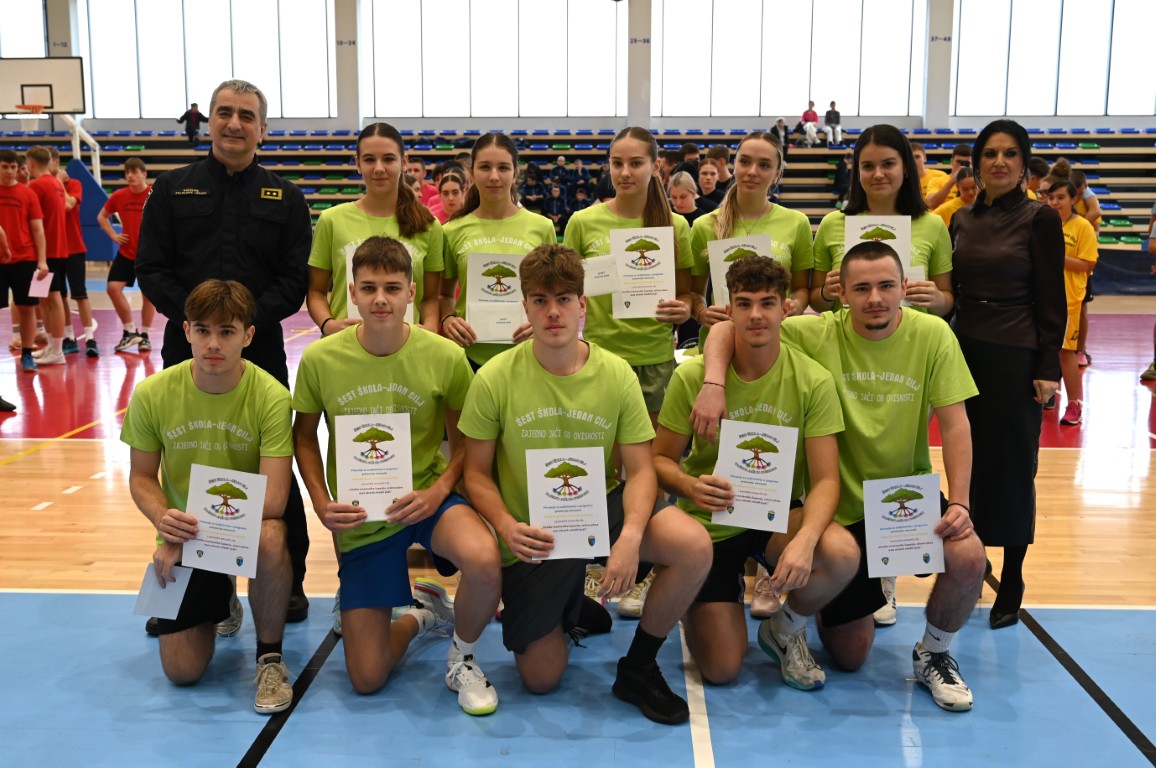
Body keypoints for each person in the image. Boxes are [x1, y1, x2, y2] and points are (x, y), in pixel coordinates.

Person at [693, 241, 986, 712]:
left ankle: (934, 652)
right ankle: (792, 622)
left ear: (903, 287)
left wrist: (961, 502)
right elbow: (730, 326)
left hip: (903, 499)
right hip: (838, 509)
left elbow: (955, 424)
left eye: (886, 286)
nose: (875, 298)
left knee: (969, 556)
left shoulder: (933, 335)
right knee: (852, 657)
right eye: (862, 288)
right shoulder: (815, 333)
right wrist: (712, 381)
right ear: (842, 294)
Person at [459, 243, 712, 725]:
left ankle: (638, 667)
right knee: (540, 678)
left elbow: (641, 470)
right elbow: (476, 474)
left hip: (600, 511)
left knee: (693, 545)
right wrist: (507, 526)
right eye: (540, 300)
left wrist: (631, 538)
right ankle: (570, 602)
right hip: (533, 534)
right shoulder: (493, 378)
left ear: (583, 305)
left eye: (563, 299)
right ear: (525, 307)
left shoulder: (616, 374)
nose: (552, 312)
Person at [293, 237, 501, 714]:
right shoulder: (321, 359)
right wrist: (321, 502)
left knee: (484, 558)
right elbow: (303, 438)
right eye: (368, 288)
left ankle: (463, 657)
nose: (380, 299)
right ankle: (421, 615)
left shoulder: (445, 356)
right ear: (352, 292)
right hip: (364, 515)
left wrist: (438, 491)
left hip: (427, 498)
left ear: (411, 292)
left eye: (391, 287)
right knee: (367, 679)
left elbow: (465, 442)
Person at [136, 78, 314, 624]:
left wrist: (244, 326)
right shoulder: (171, 190)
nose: (234, 123)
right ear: (208, 120)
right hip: (187, 347)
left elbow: (293, 280)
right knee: (189, 462)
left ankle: (287, 579)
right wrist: (199, 324)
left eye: (246, 115)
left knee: (271, 465)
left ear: (263, 129)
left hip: (260, 352)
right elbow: (150, 268)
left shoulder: (286, 198)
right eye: (224, 112)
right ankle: (193, 579)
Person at [654, 255, 857, 691]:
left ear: (787, 308)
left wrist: (805, 542)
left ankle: (786, 627)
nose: (756, 315)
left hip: (774, 515)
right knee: (722, 669)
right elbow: (659, 460)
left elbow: (826, 479)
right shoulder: (693, 377)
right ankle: (696, 595)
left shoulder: (813, 380)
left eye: (767, 303)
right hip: (709, 525)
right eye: (744, 304)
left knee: (840, 553)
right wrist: (690, 485)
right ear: (729, 310)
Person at [120, 279, 294, 714]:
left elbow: (274, 499)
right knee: (181, 672)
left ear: (248, 336)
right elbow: (141, 477)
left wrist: (193, 535)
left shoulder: (271, 396)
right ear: (186, 331)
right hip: (187, 535)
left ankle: (270, 659)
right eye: (202, 330)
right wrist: (165, 521)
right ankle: (222, 596)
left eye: (227, 331)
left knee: (272, 535)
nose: (213, 343)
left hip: (241, 531)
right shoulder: (153, 393)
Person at [949, 118, 1065, 629]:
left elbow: (1052, 298)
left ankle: (1013, 577)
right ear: (976, 162)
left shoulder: (1040, 218)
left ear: (1023, 164)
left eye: (1010, 153)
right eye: (990, 153)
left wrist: (1048, 366)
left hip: (1016, 357)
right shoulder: (961, 218)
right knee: (968, 467)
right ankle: (973, 564)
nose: (999, 161)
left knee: (1015, 467)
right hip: (963, 354)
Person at [563, 126, 696, 425]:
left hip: (654, 359)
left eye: (635, 163)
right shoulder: (582, 222)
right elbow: (567, 292)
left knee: (650, 450)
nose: (624, 172)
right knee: (602, 451)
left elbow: (687, 294)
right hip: (600, 357)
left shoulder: (676, 225)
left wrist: (684, 308)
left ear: (656, 166)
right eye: (617, 163)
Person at [307, 122, 444, 339]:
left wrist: (428, 329)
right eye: (370, 160)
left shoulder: (428, 225)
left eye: (388, 159)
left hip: (407, 346)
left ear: (404, 162)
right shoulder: (331, 220)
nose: (379, 168)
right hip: (347, 345)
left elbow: (429, 299)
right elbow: (316, 292)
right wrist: (328, 324)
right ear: (358, 164)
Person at [811, 125, 954, 321]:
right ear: (858, 171)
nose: (878, 174)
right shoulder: (831, 224)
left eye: (888, 164)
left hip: (912, 336)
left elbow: (946, 302)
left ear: (905, 167)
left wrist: (937, 299)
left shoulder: (933, 225)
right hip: (846, 337)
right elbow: (816, 302)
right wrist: (826, 293)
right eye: (868, 166)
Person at [440, 133, 555, 371]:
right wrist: (448, 319)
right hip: (469, 356)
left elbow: (552, 292)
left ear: (515, 173)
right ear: (471, 173)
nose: (494, 176)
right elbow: (444, 295)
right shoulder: (451, 230)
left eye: (503, 167)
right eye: (485, 167)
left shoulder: (542, 227)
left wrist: (539, 321)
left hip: (527, 354)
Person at [691, 132, 814, 329]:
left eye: (764, 165)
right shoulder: (704, 225)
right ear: (735, 165)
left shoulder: (797, 223)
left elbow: (801, 288)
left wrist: (796, 306)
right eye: (745, 162)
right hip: (723, 337)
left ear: (776, 174)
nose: (752, 171)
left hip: (776, 336)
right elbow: (694, 292)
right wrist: (701, 312)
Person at [1044, 178, 1097, 427]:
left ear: (1073, 199)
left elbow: (1087, 264)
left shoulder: (1083, 227)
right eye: (1051, 198)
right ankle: (1045, 394)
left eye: (1060, 198)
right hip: (1041, 296)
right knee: (1038, 348)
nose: (1055, 202)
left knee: (1066, 353)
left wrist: (1056, 256)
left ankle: (1074, 404)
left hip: (1068, 299)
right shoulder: (1043, 223)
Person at [98, 157, 156, 353]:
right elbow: (102, 216)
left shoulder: (154, 194)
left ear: (144, 174)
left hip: (149, 254)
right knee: (113, 288)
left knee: (148, 296)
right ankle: (130, 331)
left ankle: (145, 336)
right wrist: (114, 235)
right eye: (127, 172)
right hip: (126, 252)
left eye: (134, 172)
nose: (130, 176)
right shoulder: (119, 195)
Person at [0, 148, 48, 372]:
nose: (9, 171)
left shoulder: (28, 194)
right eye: (4, 167)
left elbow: (38, 229)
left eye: (13, 167)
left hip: (25, 259)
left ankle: (27, 353)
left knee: (27, 307)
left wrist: (42, 260)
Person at [25, 147, 69, 367]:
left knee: (53, 299)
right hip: (57, 248)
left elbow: (32, 220)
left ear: (30, 163)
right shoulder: (56, 183)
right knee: (45, 299)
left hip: (46, 251)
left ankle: (58, 351)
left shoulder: (36, 186)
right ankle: (52, 347)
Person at [51, 148, 97, 356]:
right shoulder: (43, 186)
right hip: (53, 250)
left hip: (74, 247)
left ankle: (90, 339)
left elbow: (68, 205)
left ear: (56, 162)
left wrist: (58, 183)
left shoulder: (74, 184)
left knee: (80, 294)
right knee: (59, 296)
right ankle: (69, 337)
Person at [925, 143, 973, 210]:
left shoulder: (977, 183)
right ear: (952, 161)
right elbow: (932, 204)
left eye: (966, 163)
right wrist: (952, 181)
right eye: (958, 162)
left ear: (972, 164)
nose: (961, 166)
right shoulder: (936, 181)